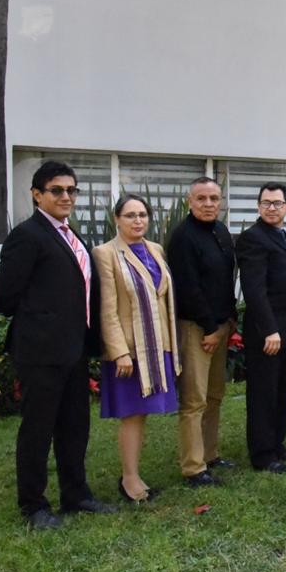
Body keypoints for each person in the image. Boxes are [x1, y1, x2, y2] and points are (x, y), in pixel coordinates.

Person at [0, 160, 116, 529]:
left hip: (74, 350)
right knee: (38, 429)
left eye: (71, 190)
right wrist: (43, 317)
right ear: (36, 195)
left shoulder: (69, 234)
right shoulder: (28, 236)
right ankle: (33, 505)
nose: (66, 196)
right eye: (57, 190)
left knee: (75, 425)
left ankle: (76, 495)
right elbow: (3, 298)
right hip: (41, 352)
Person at [92, 195, 182, 503]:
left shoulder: (155, 249)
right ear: (116, 219)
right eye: (130, 215)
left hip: (158, 346)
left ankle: (134, 473)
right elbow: (107, 307)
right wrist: (119, 351)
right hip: (129, 351)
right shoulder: (105, 253)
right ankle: (129, 478)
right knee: (132, 414)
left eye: (142, 214)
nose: (138, 220)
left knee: (143, 413)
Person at [167, 176, 237, 488]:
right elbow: (188, 288)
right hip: (197, 327)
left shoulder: (220, 231)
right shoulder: (183, 237)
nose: (208, 204)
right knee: (194, 400)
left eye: (213, 198)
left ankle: (210, 454)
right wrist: (210, 328)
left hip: (220, 326)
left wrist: (228, 323)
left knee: (215, 395)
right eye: (201, 198)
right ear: (189, 202)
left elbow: (225, 278)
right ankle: (193, 468)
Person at [235, 182, 286, 473]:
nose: (272, 208)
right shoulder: (252, 238)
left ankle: (277, 445)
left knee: (283, 390)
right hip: (268, 332)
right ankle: (263, 455)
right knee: (264, 393)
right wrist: (270, 330)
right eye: (266, 203)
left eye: (277, 203)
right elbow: (254, 290)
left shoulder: (280, 236)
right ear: (258, 206)